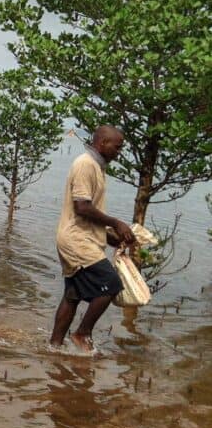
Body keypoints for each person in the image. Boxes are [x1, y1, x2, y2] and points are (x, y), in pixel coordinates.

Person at [50, 125, 136, 353]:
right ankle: (82, 333)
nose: (119, 152)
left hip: (79, 237)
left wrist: (112, 238)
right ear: (102, 143)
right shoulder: (85, 165)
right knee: (111, 284)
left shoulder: (97, 167)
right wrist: (117, 223)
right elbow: (82, 207)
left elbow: (88, 215)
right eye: (117, 147)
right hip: (76, 241)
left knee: (73, 295)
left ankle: (54, 348)